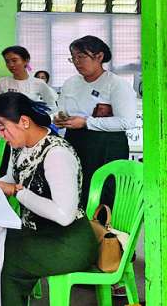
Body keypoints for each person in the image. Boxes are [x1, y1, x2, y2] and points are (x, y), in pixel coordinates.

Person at [0, 92, 97, 306]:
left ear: (24, 122)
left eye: (2, 128)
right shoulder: (21, 147)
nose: (1, 136)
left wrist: (16, 192)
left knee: (3, 262)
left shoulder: (56, 154)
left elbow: (64, 215)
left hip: (67, 242)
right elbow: (13, 179)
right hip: (34, 232)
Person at [54, 35, 137, 207]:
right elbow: (62, 109)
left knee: (103, 191)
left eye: (81, 57)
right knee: (76, 187)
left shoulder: (116, 84)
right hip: (75, 140)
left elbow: (127, 122)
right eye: (73, 58)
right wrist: (60, 118)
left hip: (107, 145)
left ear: (99, 57)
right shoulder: (71, 83)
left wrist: (86, 122)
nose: (77, 62)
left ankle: (103, 223)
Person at [0, 46, 58, 176]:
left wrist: (41, 118)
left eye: (14, 60)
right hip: (6, 132)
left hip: (29, 133)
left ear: (26, 60)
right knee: (3, 165)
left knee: (26, 167)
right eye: (7, 61)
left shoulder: (39, 84)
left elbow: (52, 107)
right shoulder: (2, 83)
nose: (11, 65)